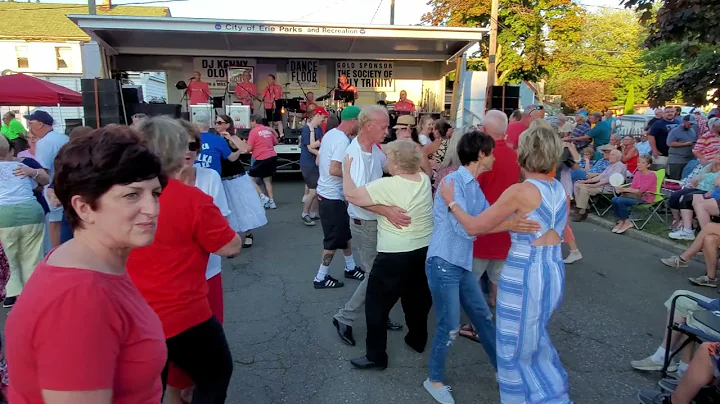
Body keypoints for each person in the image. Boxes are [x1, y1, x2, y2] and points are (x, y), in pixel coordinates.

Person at [5, 126, 168, 404]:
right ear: (84, 207)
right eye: (132, 195)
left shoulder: (85, 262)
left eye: (155, 193)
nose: (152, 209)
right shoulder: (78, 300)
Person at [439, 119, 571, 403]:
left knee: (513, 344)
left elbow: (474, 227)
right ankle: (549, 389)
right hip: (553, 268)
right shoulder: (559, 189)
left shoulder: (520, 191)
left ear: (525, 152)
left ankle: (527, 396)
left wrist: (452, 202)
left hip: (525, 270)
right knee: (535, 335)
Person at [128, 117, 242, 402]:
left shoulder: (115, 193)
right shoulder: (190, 199)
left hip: (129, 310)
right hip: (182, 314)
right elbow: (230, 246)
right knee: (216, 372)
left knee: (149, 386)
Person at [423, 130, 540, 404]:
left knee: (484, 319)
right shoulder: (453, 183)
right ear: (480, 154)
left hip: (460, 264)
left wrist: (514, 218)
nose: (495, 156)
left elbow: (485, 221)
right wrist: (508, 223)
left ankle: (504, 372)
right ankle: (434, 378)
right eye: (492, 151)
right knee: (450, 325)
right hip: (443, 263)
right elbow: (469, 229)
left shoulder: (473, 185)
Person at [342, 140, 434, 370]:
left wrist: (345, 170)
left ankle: (376, 356)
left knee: (376, 306)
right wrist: (385, 209)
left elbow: (351, 196)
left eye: (389, 158)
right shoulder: (422, 179)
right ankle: (417, 340)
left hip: (394, 254)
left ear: (396, 162)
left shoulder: (387, 186)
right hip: (423, 249)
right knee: (416, 301)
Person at [332, 106, 408, 346]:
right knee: (375, 275)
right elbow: (360, 199)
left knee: (381, 274)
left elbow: (389, 168)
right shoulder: (354, 154)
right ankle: (344, 316)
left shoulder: (372, 148)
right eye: (384, 127)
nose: (388, 131)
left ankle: (377, 314)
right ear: (368, 126)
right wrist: (388, 211)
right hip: (365, 222)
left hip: (375, 220)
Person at [168, 120, 232, 403]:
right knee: (172, 358)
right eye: (181, 145)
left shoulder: (209, 178)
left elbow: (222, 231)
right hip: (170, 278)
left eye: (193, 145)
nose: (188, 152)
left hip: (207, 273)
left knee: (209, 345)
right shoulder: (153, 182)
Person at [470, 110, 520, 311]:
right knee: (499, 277)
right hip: (506, 225)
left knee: (472, 278)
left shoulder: (483, 157)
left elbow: (471, 190)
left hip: (482, 225)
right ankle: (499, 309)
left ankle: (477, 322)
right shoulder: (515, 157)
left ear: (483, 130)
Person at [312, 106, 364, 289]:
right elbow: (334, 169)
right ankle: (320, 277)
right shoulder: (342, 141)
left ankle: (350, 267)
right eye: (361, 122)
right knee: (333, 240)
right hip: (332, 197)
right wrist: (354, 174)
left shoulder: (331, 134)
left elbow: (321, 162)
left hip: (329, 195)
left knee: (344, 234)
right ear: (354, 121)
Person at [0, 136, 46, 308]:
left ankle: (12, 294)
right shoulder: (22, 166)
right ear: (10, 150)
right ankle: (33, 292)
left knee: (8, 257)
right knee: (32, 256)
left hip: (3, 216)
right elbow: (37, 186)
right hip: (31, 212)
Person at [213, 115, 267, 248]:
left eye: (220, 122)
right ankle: (230, 237)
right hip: (221, 178)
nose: (217, 125)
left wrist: (231, 139)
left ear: (227, 124)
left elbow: (244, 149)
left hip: (236, 176)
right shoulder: (214, 138)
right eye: (216, 122)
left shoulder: (232, 137)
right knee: (227, 209)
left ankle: (248, 233)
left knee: (242, 206)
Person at [24, 110, 69, 248]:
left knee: (54, 224)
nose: (29, 128)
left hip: (51, 189)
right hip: (67, 186)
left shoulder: (44, 143)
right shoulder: (64, 138)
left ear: (40, 124)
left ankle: (55, 255)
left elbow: (42, 171)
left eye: (31, 124)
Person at [572, 148, 627, 222]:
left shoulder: (619, 166)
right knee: (577, 184)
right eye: (610, 154)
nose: (610, 156)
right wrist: (586, 182)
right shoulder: (610, 165)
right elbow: (600, 176)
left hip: (609, 188)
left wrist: (595, 185)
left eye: (612, 155)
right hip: (601, 185)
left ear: (618, 157)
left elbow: (609, 179)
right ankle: (585, 207)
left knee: (584, 189)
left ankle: (581, 211)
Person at [610, 155, 657, 234]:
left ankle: (627, 222)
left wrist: (624, 189)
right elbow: (633, 187)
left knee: (620, 201)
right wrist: (621, 190)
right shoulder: (638, 173)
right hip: (634, 196)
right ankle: (622, 221)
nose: (639, 164)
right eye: (638, 162)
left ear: (648, 165)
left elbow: (641, 191)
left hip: (644, 198)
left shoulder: (651, 175)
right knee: (614, 199)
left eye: (643, 163)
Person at [300, 107, 330, 225]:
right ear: (317, 115)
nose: (324, 119)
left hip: (314, 162)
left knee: (317, 190)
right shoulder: (307, 129)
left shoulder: (316, 128)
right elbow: (309, 147)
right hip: (308, 163)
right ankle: (305, 213)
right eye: (323, 117)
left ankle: (312, 213)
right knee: (313, 190)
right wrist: (322, 155)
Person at [245, 113, 279, 209]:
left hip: (261, 158)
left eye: (251, 122)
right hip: (272, 157)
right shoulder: (267, 130)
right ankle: (272, 201)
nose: (250, 124)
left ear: (254, 121)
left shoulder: (254, 131)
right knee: (267, 180)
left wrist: (244, 145)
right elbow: (275, 142)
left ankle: (263, 197)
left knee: (250, 178)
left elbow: (248, 148)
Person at [666, 115, 698, 180]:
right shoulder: (674, 131)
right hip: (676, 160)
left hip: (689, 160)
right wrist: (684, 144)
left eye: (692, 124)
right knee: (675, 180)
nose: (691, 125)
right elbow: (669, 143)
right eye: (690, 124)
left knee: (686, 180)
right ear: (684, 122)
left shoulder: (692, 131)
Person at [261, 74, 284, 138]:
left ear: (274, 80)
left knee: (279, 120)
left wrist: (278, 102)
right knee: (270, 121)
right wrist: (270, 101)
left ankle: (281, 135)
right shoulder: (266, 88)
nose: (269, 81)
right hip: (268, 106)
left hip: (277, 106)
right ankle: (271, 135)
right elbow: (262, 98)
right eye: (268, 79)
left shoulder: (278, 87)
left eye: (270, 79)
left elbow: (281, 96)